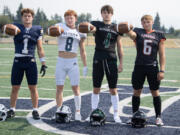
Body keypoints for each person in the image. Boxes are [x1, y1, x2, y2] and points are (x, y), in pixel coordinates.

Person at [6, 8, 47, 120]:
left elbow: (40, 47)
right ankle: (12, 109)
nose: (27, 17)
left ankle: (35, 110)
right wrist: (6, 28)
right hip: (18, 61)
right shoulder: (16, 27)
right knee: (15, 87)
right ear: (22, 17)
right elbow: (6, 28)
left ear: (32, 17)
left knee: (33, 87)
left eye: (29, 16)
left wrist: (43, 63)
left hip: (30, 61)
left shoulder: (37, 29)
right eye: (25, 16)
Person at [126, 15, 166, 126]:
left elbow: (162, 54)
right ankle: (134, 115)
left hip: (152, 66)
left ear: (152, 22)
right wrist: (127, 28)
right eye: (143, 22)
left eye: (148, 21)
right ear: (141, 23)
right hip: (139, 66)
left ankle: (158, 117)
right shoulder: (138, 32)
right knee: (136, 91)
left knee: (155, 92)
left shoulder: (158, 35)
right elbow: (132, 35)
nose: (146, 23)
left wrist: (162, 70)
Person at [88, 5, 123, 123]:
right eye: (104, 12)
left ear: (112, 14)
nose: (106, 14)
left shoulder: (116, 27)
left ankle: (116, 115)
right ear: (101, 14)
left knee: (113, 89)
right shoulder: (97, 24)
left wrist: (121, 62)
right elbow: (90, 29)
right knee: (96, 88)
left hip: (111, 58)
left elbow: (119, 46)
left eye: (108, 12)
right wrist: (86, 27)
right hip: (98, 57)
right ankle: (93, 112)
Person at [54, 10, 87, 121]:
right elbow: (50, 31)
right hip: (61, 61)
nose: (69, 19)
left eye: (71, 17)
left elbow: (82, 49)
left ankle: (78, 112)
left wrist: (85, 65)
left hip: (73, 62)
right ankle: (59, 110)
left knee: (76, 87)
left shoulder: (80, 30)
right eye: (67, 17)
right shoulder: (60, 26)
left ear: (75, 19)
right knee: (59, 88)